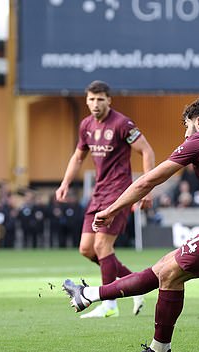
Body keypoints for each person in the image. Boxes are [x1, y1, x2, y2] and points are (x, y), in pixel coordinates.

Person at [63, 98, 199, 352]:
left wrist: (111, 210)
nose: (185, 133)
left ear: (198, 121)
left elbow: (150, 179)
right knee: (167, 269)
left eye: (187, 126)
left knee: (167, 271)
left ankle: (92, 297)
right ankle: (147, 340)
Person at [56, 80, 156, 318]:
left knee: (102, 246)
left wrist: (148, 188)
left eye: (100, 99)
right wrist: (65, 182)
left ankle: (109, 304)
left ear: (109, 100)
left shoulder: (122, 124)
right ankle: (135, 285)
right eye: (91, 99)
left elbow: (147, 151)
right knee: (86, 249)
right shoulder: (86, 126)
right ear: (86, 100)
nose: (95, 104)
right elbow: (78, 157)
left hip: (119, 193)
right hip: (98, 192)